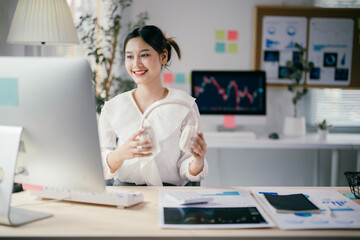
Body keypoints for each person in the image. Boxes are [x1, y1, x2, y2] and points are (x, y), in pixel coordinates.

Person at [98, 25, 208, 186]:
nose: (136, 64)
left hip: (169, 195)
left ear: (163, 57)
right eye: (129, 57)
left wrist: (198, 161)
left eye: (144, 55)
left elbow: (187, 167)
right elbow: (99, 162)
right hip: (125, 195)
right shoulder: (112, 108)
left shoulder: (185, 105)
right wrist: (120, 154)